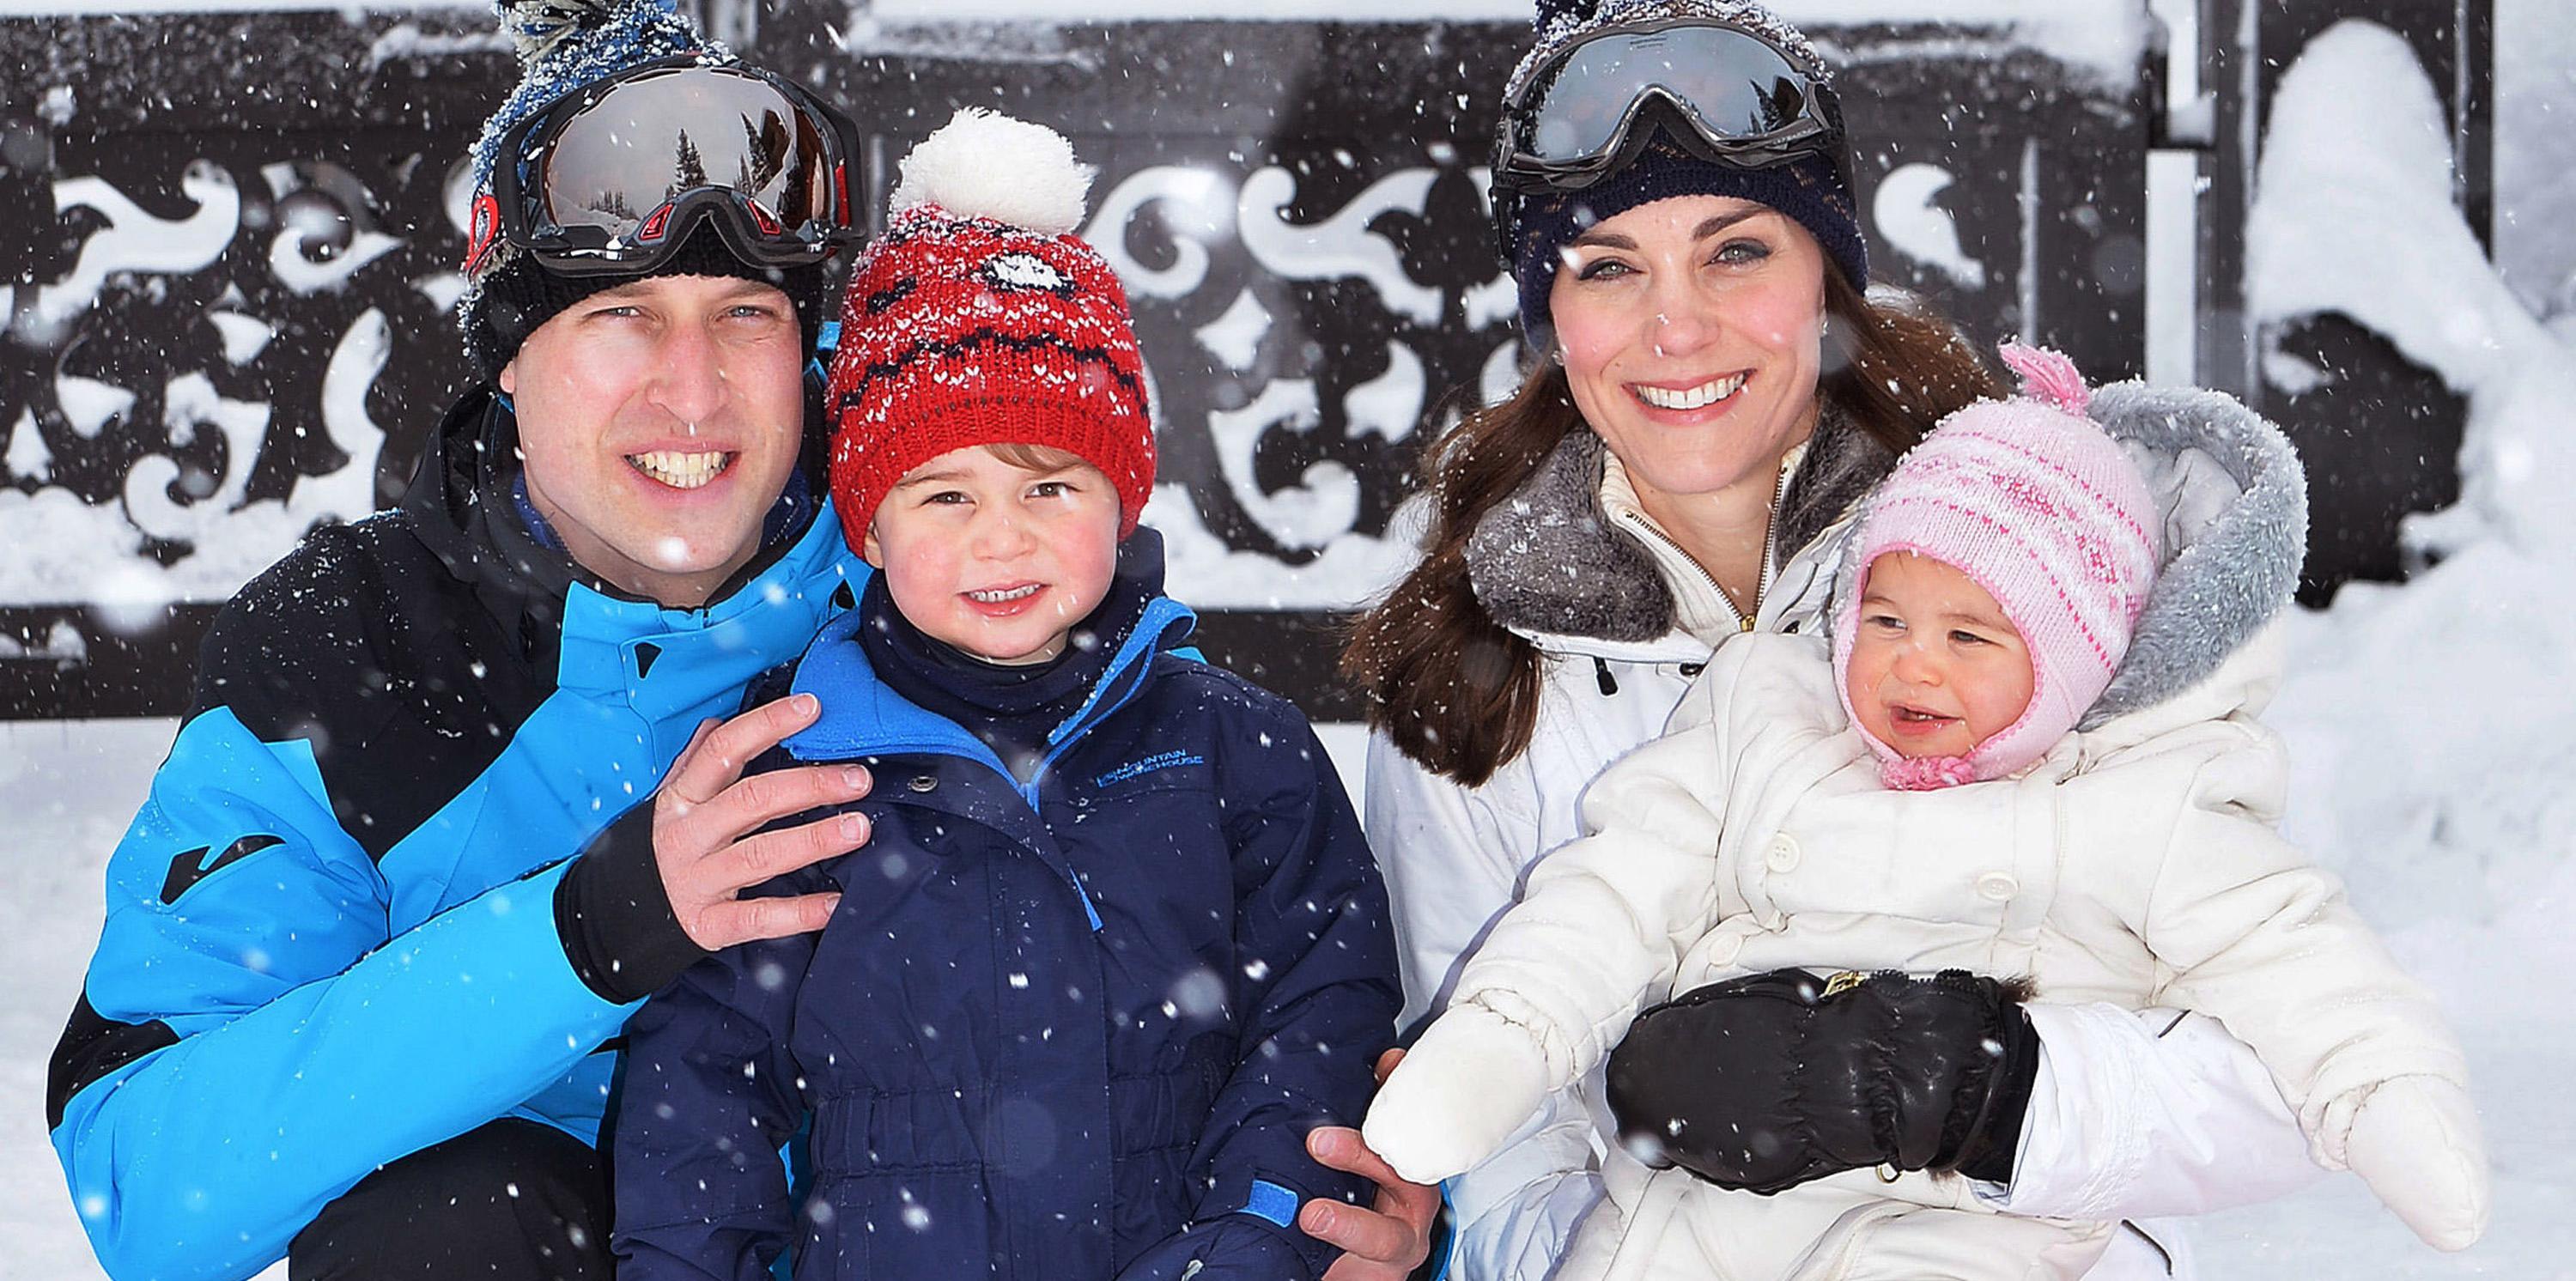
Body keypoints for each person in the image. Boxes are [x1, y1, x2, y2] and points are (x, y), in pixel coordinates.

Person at [1340, 3, 2327, 1276]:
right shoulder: (1476, 677)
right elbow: (1499, 1148)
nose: (1677, 327)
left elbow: (2287, 1073)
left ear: (1826, 274)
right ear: (1552, 314)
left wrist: (1974, 1092)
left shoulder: (2034, 561)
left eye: (1736, 251)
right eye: (1609, 265)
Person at [45, 1, 884, 1277]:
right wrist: (580, 941)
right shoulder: (349, 651)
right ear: (507, 357)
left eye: (744, 315)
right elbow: (142, 1178)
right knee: (451, 1222)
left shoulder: (944, 567)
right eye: (621, 314)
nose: (696, 391)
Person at [1362, 344, 2491, 1278]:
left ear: (2068, 657)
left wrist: (2381, 1088)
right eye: (1887, 618)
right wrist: (1508, 1036)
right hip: (1701, 1216)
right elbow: (1608, 894)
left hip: (1961, 1234)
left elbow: (2294, 955)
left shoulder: (2144, 801)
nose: (1913, 667)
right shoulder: (1770, 725)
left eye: (1969, 637)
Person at [609, 109, 1401, 1281]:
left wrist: (1249, 1245)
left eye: (1048, 488)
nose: (1002, 542)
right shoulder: (793, 770)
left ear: (1122, 496)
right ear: (869, 528)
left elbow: (1320, 1017)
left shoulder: (1236, 752)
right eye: (945, 498)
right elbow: (701, 1091)